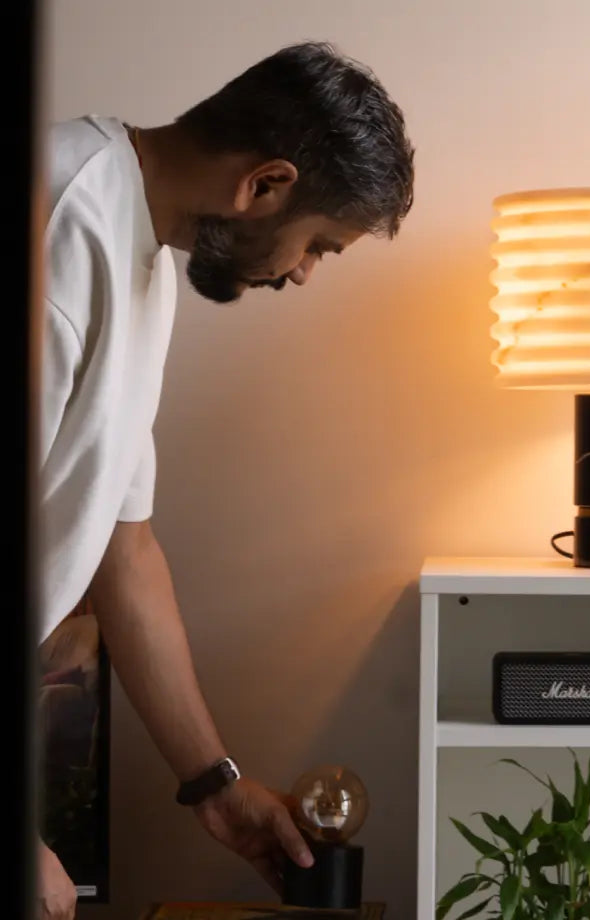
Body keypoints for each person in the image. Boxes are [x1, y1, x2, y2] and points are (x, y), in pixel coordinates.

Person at [36, 42, 415, 919]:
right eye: (318, 244)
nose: (301, 274)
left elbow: (123, 549)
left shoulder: (141, 256)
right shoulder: (61, 228)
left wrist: (215, 784)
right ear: (265, 184)